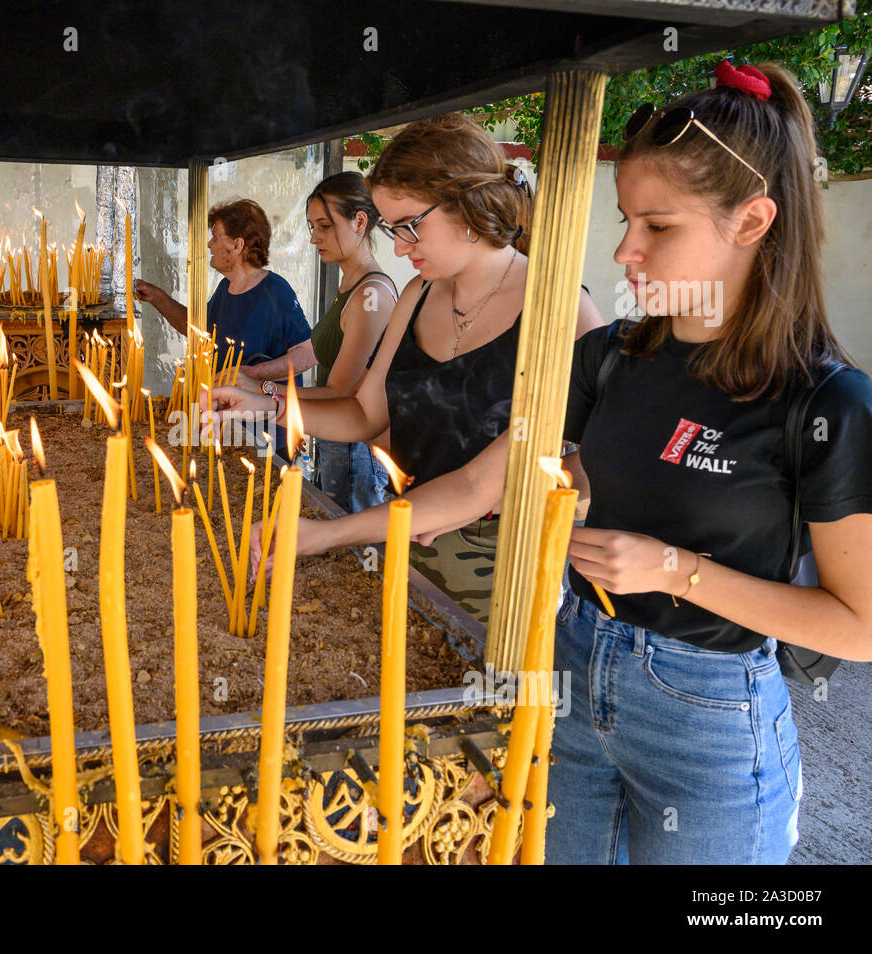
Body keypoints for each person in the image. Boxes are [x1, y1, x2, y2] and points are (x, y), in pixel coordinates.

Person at [249, 62, 872, 864]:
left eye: (657, 226)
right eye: (625, 220)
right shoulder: (609, 357)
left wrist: (674, 569)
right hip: (576, 669)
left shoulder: (826, 401)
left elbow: (856, 628)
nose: (625, 249)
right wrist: (324, 537)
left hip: (709, 714)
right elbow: (482, 482)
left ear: (752, 221)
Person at [212, 113, 604, 621]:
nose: (398, 247)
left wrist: (329, 534)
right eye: (391, 229)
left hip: (506, 574)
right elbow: (364, 414)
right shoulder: (418, 295)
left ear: (468, 205)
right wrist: (266, 405)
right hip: (405, 538)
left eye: (410, 227)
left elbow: (500, 481)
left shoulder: (559, 306)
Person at [227, 172, 398, 513]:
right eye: (311, 227)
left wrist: (261, 389)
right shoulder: (351, 286)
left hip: (357, 450)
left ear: (359, 222)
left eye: (324, 226)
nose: (313, 238)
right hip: (337, 442)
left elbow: (340, 391)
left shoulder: (371, 294)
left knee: (352, 546)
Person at [134, 198, 313, 379]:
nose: (209, 244)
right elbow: (197, 328)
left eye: (216, 237)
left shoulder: (275, 291)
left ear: (237, 245)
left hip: (264, 407)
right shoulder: (226, 288)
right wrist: (156, 296)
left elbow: (307, 353)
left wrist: (252, 374)